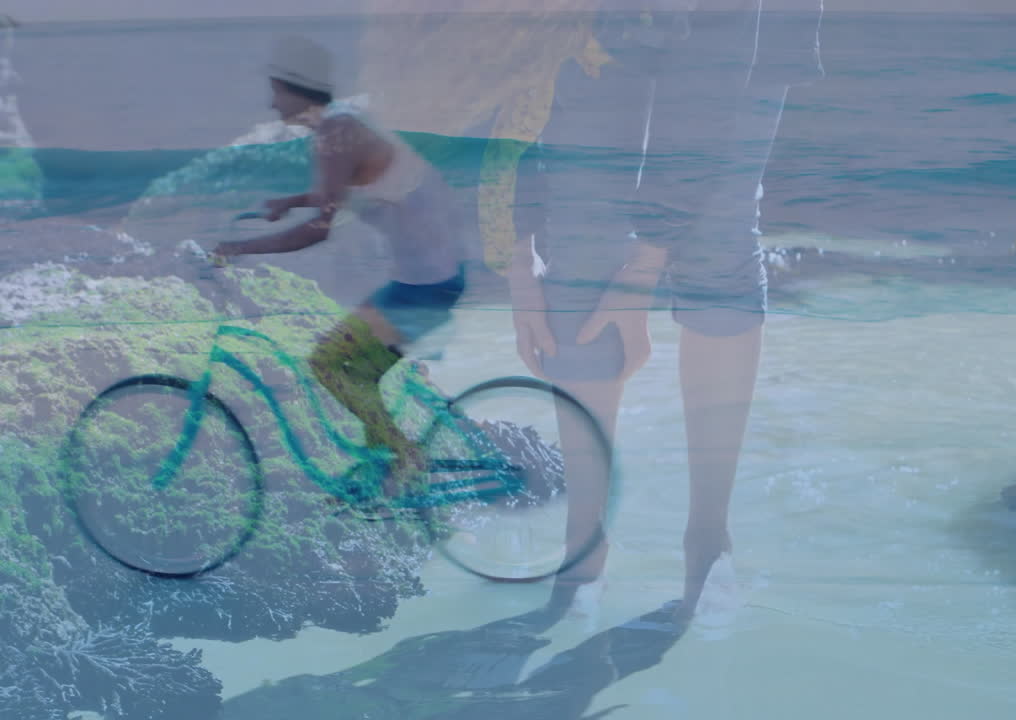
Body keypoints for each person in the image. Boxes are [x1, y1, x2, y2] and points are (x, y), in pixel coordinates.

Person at [510, 0, 822, 621]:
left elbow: (711, 95)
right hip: (572, 23)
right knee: (578, 252)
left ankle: (709, 539)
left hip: (741, 33)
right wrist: (517, 258)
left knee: (717, 242)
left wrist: (644, 267)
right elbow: (484, 95)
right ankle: (583, 548)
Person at [214, 35, 466, 497]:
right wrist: (291, 200)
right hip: (430, 277)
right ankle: (387, 472)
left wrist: (238, 248)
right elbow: (348, 190)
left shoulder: (335, 137)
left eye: (277, 91)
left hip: (424, 286)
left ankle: (406, 456)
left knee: (328, 363)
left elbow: (319, 230)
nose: (272, 102)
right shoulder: (343, 128)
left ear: (296, 89)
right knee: (361, 373)